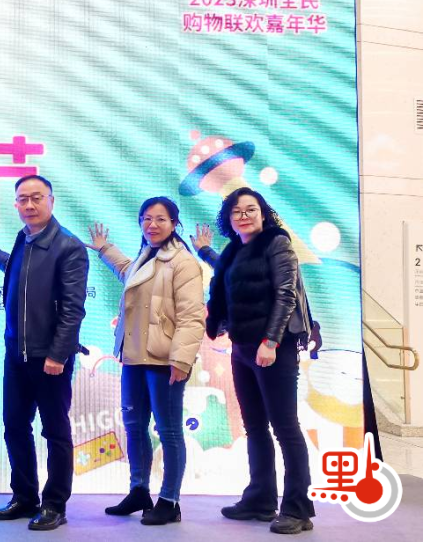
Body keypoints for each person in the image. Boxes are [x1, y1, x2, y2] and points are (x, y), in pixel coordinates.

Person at [193, 187, 315, 535]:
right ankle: (261, 499)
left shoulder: (277, 244)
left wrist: (271, 341)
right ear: (229, 219)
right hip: (242, 347)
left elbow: (286, 294)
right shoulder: (235, 250)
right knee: (255, 426)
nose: (244, 215)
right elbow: (229, 272)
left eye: (250, 209)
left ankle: (297, 509)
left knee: (285, 427)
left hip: (273, 347)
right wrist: (204, 250)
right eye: (237, 211)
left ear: (263, 214)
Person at [0, 174, 88, 530]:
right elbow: (17, 273)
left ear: (51, 200)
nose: (29, 205)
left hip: (50, 357)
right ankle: (24, 497)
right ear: (16, 205)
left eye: (37, 197)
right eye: (23, 199)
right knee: (14, 426)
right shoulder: (24, 239)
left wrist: (58, 354)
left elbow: (73, 309)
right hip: (16, 353)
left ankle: (55, 505)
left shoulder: (68, 246)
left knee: (55, 431)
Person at [87, 196, 205, 525]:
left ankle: (169, 501)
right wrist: (105, 248)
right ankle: (139, 490)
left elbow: (192, 316)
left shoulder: (183, 262)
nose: (152, 225)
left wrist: (181, 359)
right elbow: (129, 274)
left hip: (165, 360)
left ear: (174, 224)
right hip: (134, 356)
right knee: (135, 426)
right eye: (146, 219)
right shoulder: (146, 255)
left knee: (168, 431)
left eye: (160, 219)